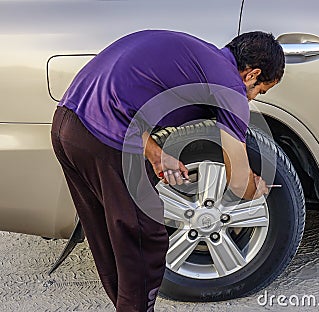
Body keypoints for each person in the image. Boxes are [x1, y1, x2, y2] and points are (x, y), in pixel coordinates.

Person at [51, 30, 285, 312]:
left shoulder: (199, 56)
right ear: (252, 74)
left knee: (111, 240)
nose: (252, 100)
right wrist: (254, 187)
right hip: (102, 139)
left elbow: (124, 102)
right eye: (259, 90)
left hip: (66, 125)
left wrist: (157, 156)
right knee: (145, 239)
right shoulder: (230, 88)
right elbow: (237, 183)